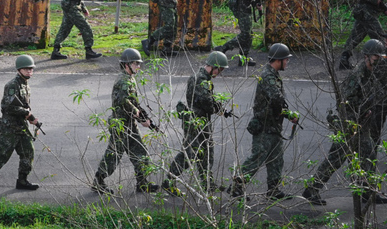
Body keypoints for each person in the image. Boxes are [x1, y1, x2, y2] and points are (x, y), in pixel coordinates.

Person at [303, 40, 387, 206]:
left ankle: (367, 192)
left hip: (362, 124)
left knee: (369, 154)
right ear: (366, 57)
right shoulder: (357, 76)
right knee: (336, 158)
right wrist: (359, 111)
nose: (379, 61)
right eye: (376, 58)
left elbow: (377, 94)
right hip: (349, 124)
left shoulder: (371, 74)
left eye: (381, 57)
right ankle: (311, 189)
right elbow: (344, 102)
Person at [231, 43, 298, 200]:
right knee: (257, 158)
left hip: (273, 125)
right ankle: (237, 188)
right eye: (286, 59)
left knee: (276, 159)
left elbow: (277, 102)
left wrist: (287, 115)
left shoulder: (273, 75)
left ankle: (273, 191)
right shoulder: (268, 76)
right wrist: (290, 115)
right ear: (278, 60)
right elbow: (276, 99)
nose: (287, 62)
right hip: (264, 126)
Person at [91, 49, 159, 194]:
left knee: (141, 152)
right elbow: (124, 102)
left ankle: (142, 183)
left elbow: (133, 101)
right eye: (135, 64)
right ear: (127, 65)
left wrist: (144, 116)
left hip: (129, 124)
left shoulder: (130, 78)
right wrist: (140, 117)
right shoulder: (123, 81)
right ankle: (98, 181)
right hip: (120, 124)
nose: (138, 66)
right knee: (113, 155)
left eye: (139, 64)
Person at [161, 51, 229, 196]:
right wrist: (216, 108)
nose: (220, 73)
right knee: (190, 154)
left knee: (207, 152)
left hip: (202, 122)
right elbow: (207, 103)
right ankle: (169, 181)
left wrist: (218, 107)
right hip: (195, 122)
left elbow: (208, 100)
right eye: (220, 69)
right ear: (213, 66)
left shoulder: (204, 79)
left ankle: (207, 183)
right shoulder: (200, 79)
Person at [0, 55, 41, 195]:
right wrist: (27, 113)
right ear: (19, 70)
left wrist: (29, 117)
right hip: (10, 128)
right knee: (2, 155)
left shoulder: (25, 84)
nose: (29, 71)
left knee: (28, 152)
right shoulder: (12, 85)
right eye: (26, 69)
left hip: (21, 127)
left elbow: (23, 105)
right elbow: (8, 107)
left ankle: (22, 180)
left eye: (31, 69)